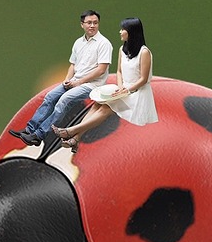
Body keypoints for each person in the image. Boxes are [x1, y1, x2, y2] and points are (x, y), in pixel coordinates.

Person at [11, 11, 113, 144]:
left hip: (92, 85)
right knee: (50, 97)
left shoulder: (104, 44)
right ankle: (29, 130)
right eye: (89, 23)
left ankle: (39, 135)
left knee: (63, 101)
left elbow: (101, 70)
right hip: (75, 81)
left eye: (95, 23)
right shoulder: (78, 43)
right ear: (82, 25)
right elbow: (73, 65)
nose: (92, 26)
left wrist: (79, 82)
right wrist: (68, 79)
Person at [54, 17, 157, 146]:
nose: (120, 32)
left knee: (106, 108)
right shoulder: (122, 49)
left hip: (137, 93)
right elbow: (119, 71)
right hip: (123, 89)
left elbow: (144, 79)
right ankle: (75, 139)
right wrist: (120, 87)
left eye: (123, 30)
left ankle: (71, 131)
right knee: (97, 104)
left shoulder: (144, 52)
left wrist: (127, 90)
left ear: (131, 32)